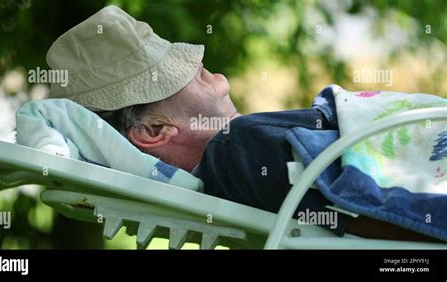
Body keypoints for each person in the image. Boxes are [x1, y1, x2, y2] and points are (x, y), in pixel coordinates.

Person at [45, 5, 439, 242]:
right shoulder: (238, 146)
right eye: (172, 74)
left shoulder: (240, 160)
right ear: (153, 131)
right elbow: (387, 222)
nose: (199, 64)